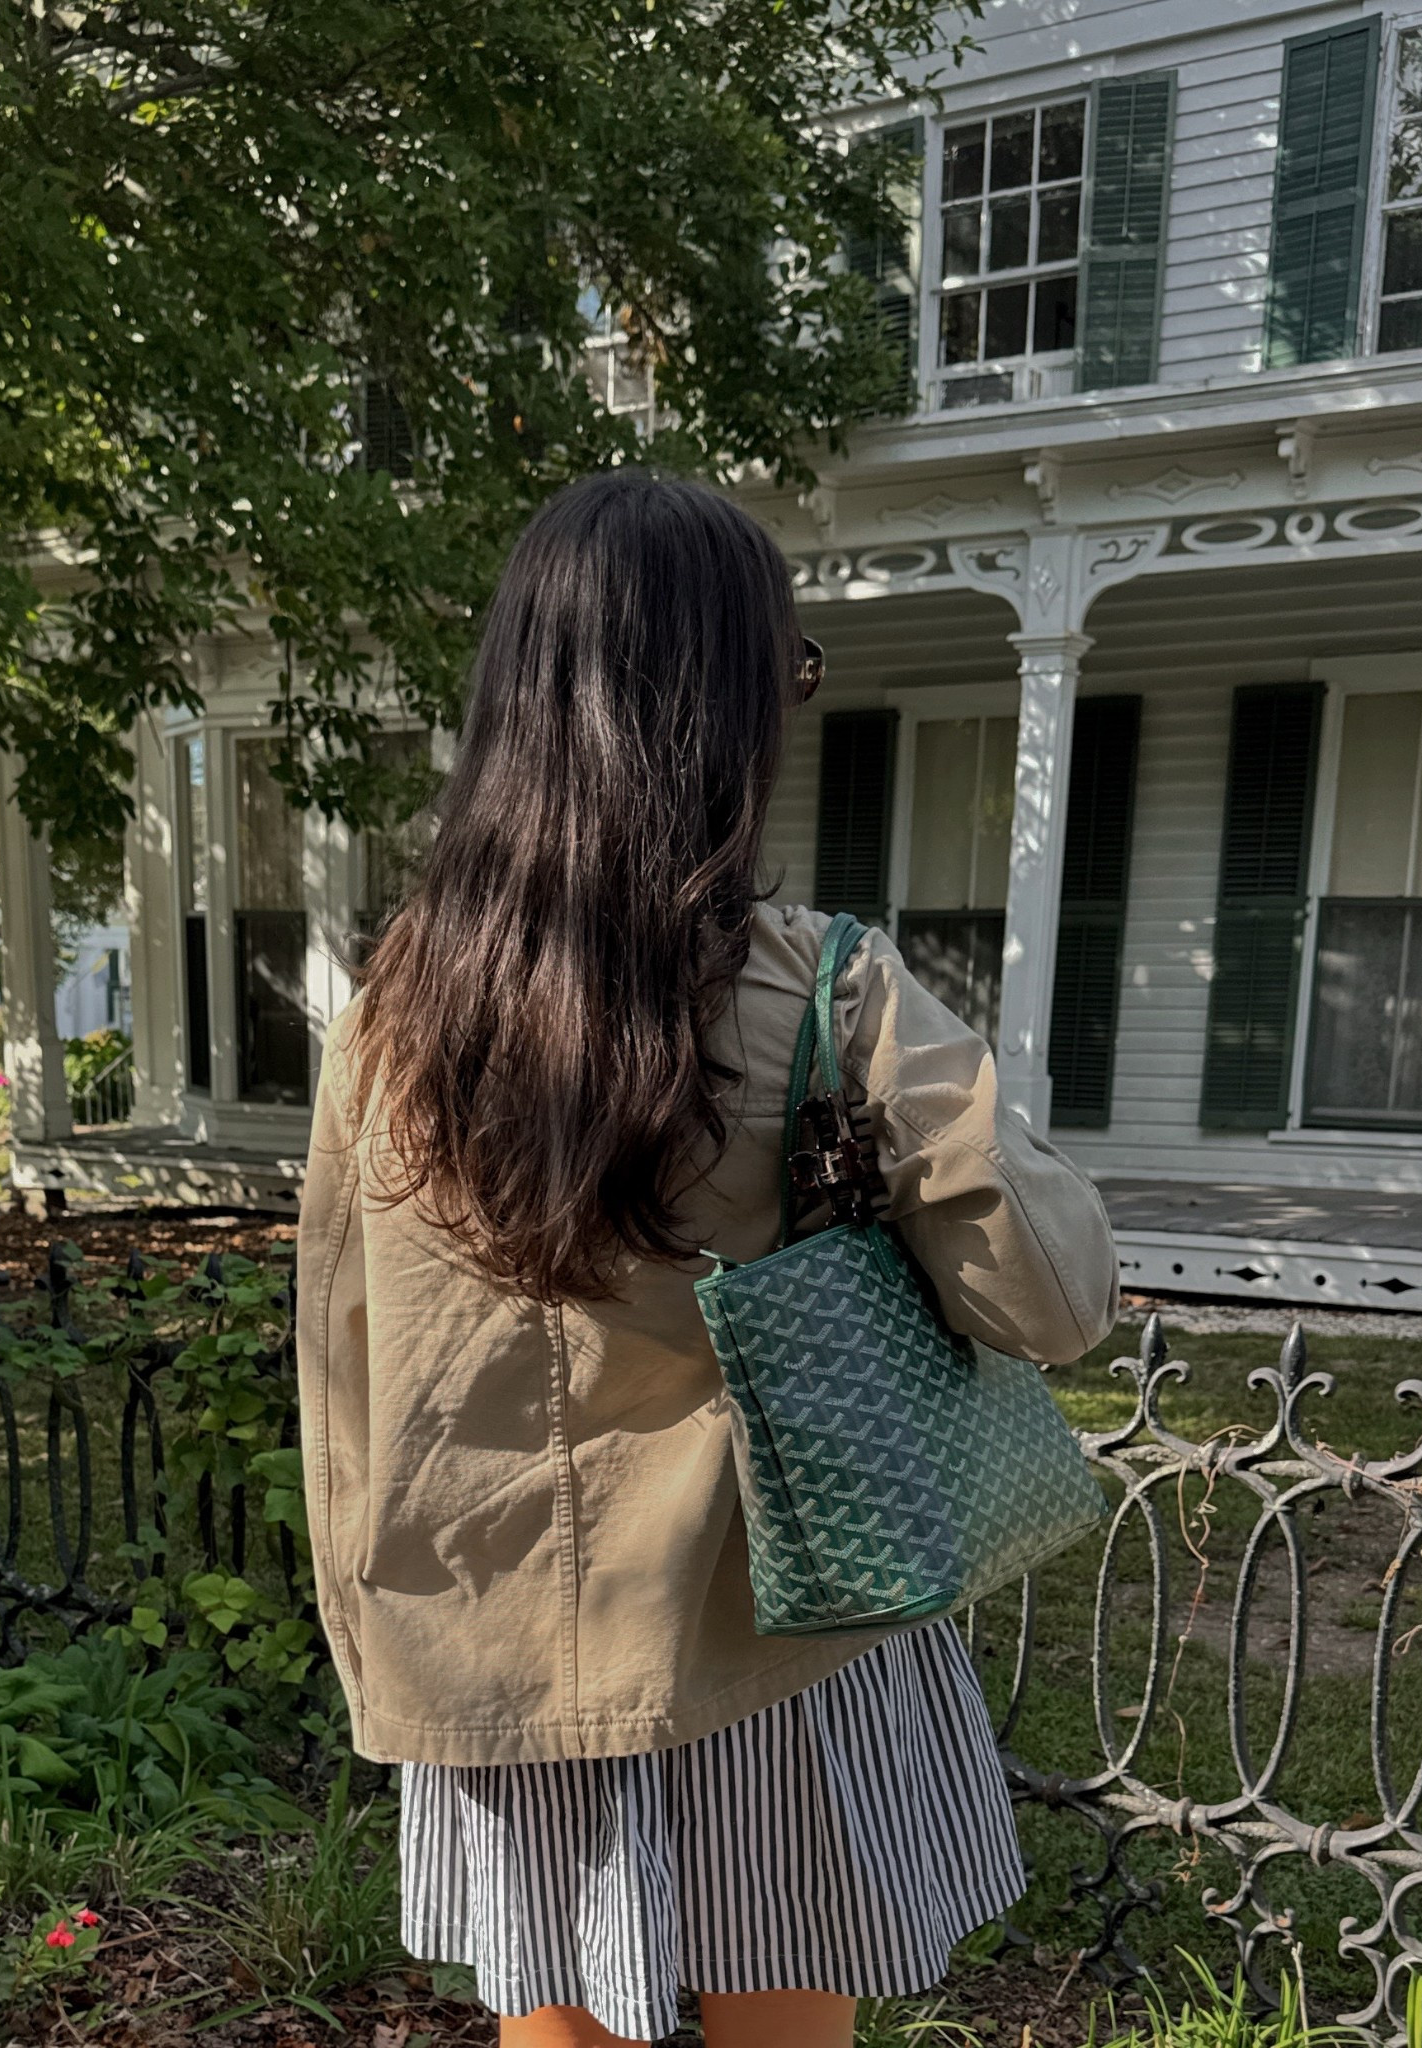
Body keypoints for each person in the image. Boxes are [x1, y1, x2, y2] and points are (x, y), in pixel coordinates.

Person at [296, 469, 1119, 2048]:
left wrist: (383, 1647)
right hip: (780, 1632)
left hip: (495, 1649)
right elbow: (1052, 1298)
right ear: (730, 706)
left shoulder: (390, 1026)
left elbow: (344, 1367)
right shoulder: (827, 990)